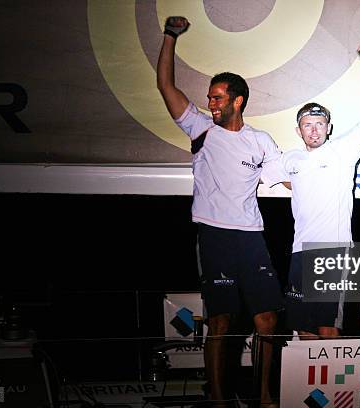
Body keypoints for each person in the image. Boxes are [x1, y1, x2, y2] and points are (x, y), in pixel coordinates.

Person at [156, 16, 284, 407]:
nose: (210, 103)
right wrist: (170, 36)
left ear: (237, 101)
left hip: (250, 238)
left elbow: (287, 180)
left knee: (268, 322)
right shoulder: (201, 128)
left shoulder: (260, 140)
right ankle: (218, 400)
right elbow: (165, 86)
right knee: (220, 324)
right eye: (210, 97)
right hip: (215, 237)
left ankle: (263, 397)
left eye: (217, 97)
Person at [282, 45, 360, 339]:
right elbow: (281, 179)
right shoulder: (289, 159)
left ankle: (334, 388)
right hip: (298, 253)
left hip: (334, 253)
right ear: (298, 130)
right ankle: (309, 388)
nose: (314, 130)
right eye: (307, 125)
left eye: (319, 124)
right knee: (304, 331)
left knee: (328, 330)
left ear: (329, 128)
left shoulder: (343, 150)